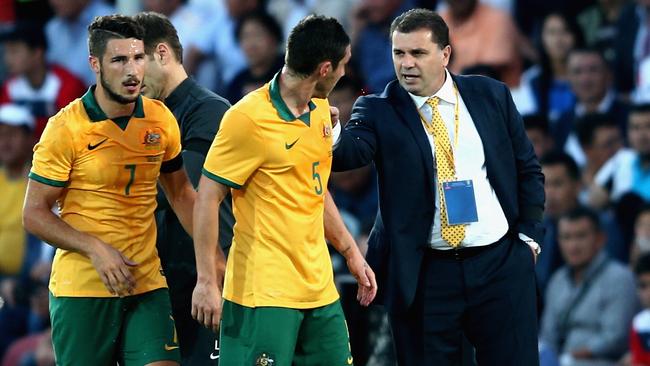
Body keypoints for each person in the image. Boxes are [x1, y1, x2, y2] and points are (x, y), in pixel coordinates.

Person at [331, 8, 544, 365]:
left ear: (445, 54)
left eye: (418, 53)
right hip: (427, 274)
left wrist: (528, 238)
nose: (407, 64)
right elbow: (351, 153)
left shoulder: (490, 94)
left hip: (499, 264)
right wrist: (333, 132)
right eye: (399, 53)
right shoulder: (377, 109)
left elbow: (528, 169)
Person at [191, 15, 377, 365]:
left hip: (319, 287)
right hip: (264, 290)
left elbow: (315, 190)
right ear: (325, 69)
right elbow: (207, 198)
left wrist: (351, 253)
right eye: (343, 65)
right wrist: (206, 280)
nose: (344, 74)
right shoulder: (246, 118)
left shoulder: (321, 110)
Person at [22, 15, 197, 366]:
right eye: (119, 60)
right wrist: (95, 248)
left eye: (137, 58)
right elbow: (34, 214)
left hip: (146, 280)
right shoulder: (65, 129)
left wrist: (216, 260)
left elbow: (181, 195)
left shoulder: (161, 120)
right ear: (95, 64)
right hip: (83, 289)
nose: (132, 71)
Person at [134, 11, 234, 365]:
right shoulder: (141, 116)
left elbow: (184, 187)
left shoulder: (209, 112)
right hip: (163, 283)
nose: (130, 76)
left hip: (208, 279)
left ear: (161, 53)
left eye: (137, 61)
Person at [540, 207, 637, 365]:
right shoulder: (557, 280)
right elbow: (548, 335)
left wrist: (577, 354)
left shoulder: (620, 277)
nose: (573, 246)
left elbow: (617, 336)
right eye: (566, 237)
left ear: (600, 239)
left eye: (581, 236)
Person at [0, 21, 86, 138]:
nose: (8, 59)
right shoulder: (9, 87)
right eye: (7, 52)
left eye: (14, 51)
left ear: (37, 53)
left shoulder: (68, 86)